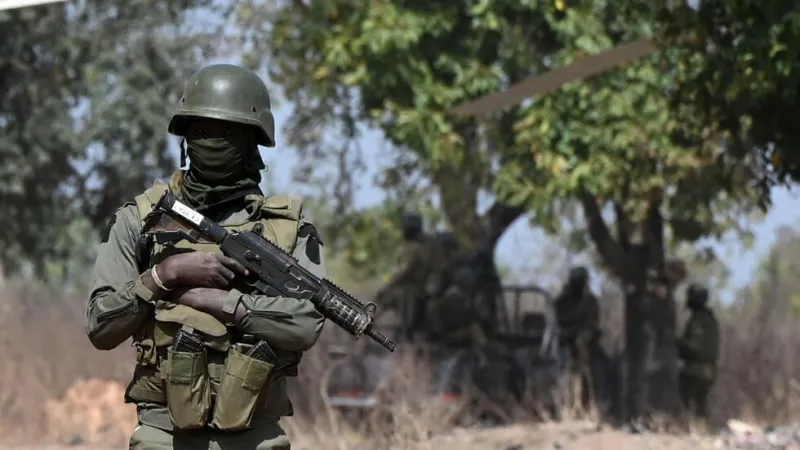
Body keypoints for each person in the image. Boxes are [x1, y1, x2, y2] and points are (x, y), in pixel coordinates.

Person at [85, 64, 326, 450]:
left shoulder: (286, 227)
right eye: (201, 131)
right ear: (185, 137)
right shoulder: (142, 218)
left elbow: (305, 326)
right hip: (164, 435)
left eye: (227, 132)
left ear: (252, 141)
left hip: (255, 435)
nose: (212, 140)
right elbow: (100, 326)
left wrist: (226, 303)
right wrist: (165, 274)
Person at [375, 213, 446, 341]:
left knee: (386, 298)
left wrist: (386, 289)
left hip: (414, 292)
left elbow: (403, 273)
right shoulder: (431, 245)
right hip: (427, 292)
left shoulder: (413, 248)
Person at [554, 266, 601, 408]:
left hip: (585, 338)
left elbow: (593, 322)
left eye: (582, 281)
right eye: (577, 281)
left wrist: (584, 334)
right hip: (565, 338)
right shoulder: (561, 301)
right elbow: (558, 321)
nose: (580, 285)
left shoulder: (590, 300)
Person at [677, 284, 720, 423]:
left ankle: (686, 427)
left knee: (687, 400)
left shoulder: (700, 321)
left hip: (698, 370)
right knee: (700, 405)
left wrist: (677, 344)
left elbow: (696, 349)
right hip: (708, 371)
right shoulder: (710, 320)